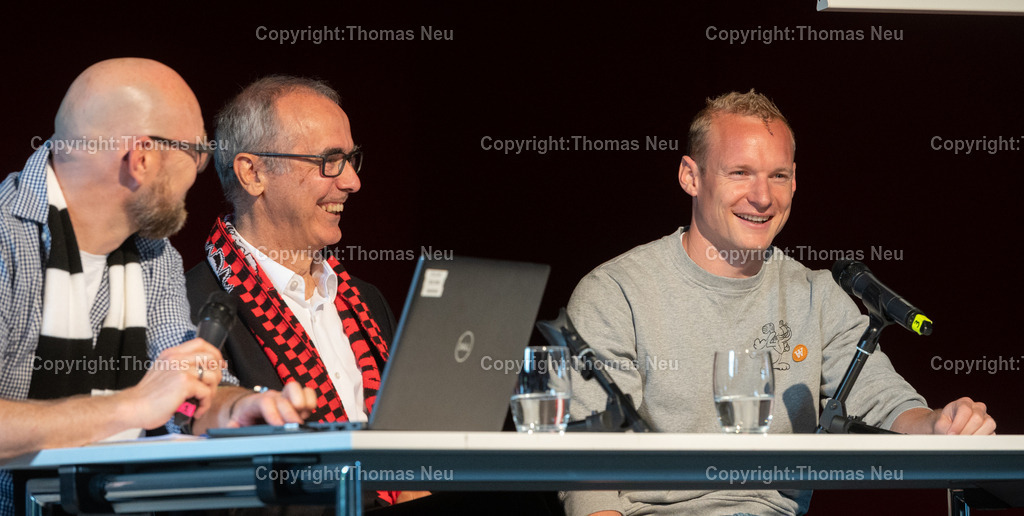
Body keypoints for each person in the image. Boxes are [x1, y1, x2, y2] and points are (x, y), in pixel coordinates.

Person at [560, 90, 996, 516]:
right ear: (690, 177)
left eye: (778, 176)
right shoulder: (615, 293)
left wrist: (940, 424)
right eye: (740, 173)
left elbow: (883, 403)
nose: (763, 197)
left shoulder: (816, 295)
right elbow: (586, 466)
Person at [0, 59, 316, 516]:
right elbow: (146, 404)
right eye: (197, 151)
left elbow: (184, 391)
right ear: (142, 158)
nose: (201, 170)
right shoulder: (8, 242)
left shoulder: (154, 256)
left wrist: (240, 410)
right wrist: (131, 407)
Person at [185, 76, 412, 508]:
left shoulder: (368, 302)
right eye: (329, 160)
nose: (351, 182)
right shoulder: (193, 307)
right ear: (252, 173)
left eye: (350, 159)